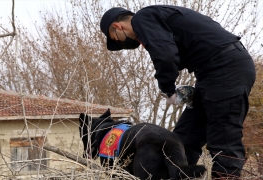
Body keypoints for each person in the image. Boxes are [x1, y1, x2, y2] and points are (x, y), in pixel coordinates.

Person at [100, 5, 256, 179]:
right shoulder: (156, 19)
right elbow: (172, 49)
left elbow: (166, 55)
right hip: (211, 74)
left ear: (117, 26)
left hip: (226, 69)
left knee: (224, 138)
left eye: (117, 39)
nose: (122, 43)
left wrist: (168, 90)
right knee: (183, 139)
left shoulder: (141, 19)